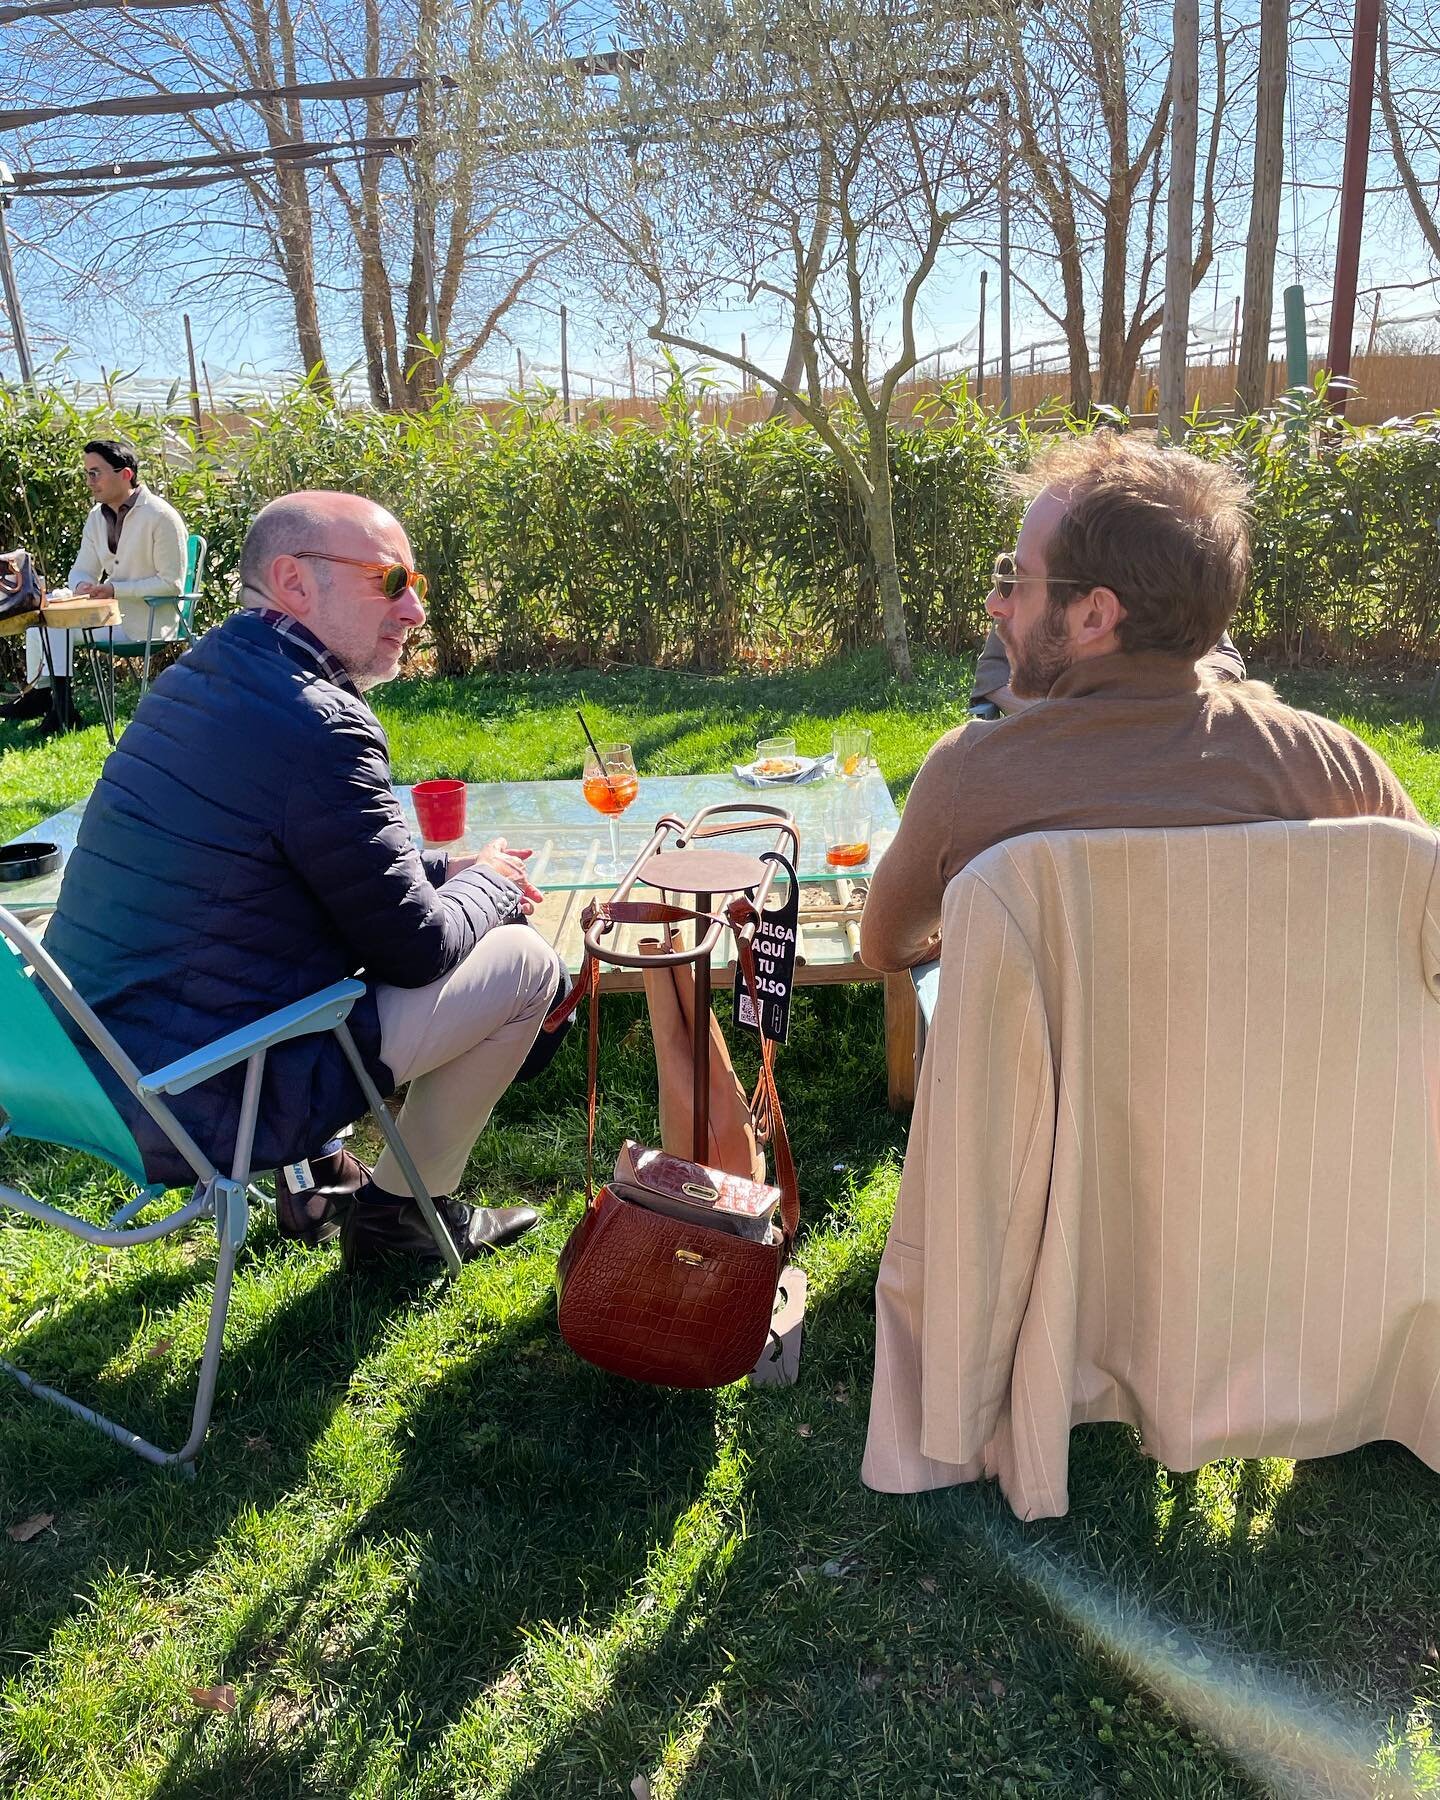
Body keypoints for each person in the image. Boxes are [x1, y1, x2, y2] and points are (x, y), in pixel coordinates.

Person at [42, 490, 562, 1267]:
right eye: (392, 581)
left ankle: (319, 1173)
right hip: (199, 1096)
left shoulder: (197, 678)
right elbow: (416, 948)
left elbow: (277, 859)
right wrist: (488, 880)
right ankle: (401, 1220)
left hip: (85, 1072)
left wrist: (436, 867)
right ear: (293, 581)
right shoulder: (320, 720)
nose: (414, 611)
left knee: (386, 928)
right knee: (527, 965)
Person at [861, 433, 1422, 973]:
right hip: (1280, 1065)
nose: (995, 603)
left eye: (1016, 578)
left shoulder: (970, 776)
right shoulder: (1332, 767)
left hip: (1061, 1074)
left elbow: (887, 947)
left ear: (1094, 616)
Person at [0, 439, 188, 736]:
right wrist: (82, 587)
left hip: (149, 621)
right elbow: (81, 570)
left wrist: (113, 590)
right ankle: (49, 702)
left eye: (95, 473)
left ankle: (57, 709)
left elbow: (171, 584)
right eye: (87, 473)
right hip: (110, 618)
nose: (89, 482)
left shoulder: (161, 516)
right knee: (42, 619)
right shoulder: (96, 517)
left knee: (54, 626)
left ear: (125, 474)